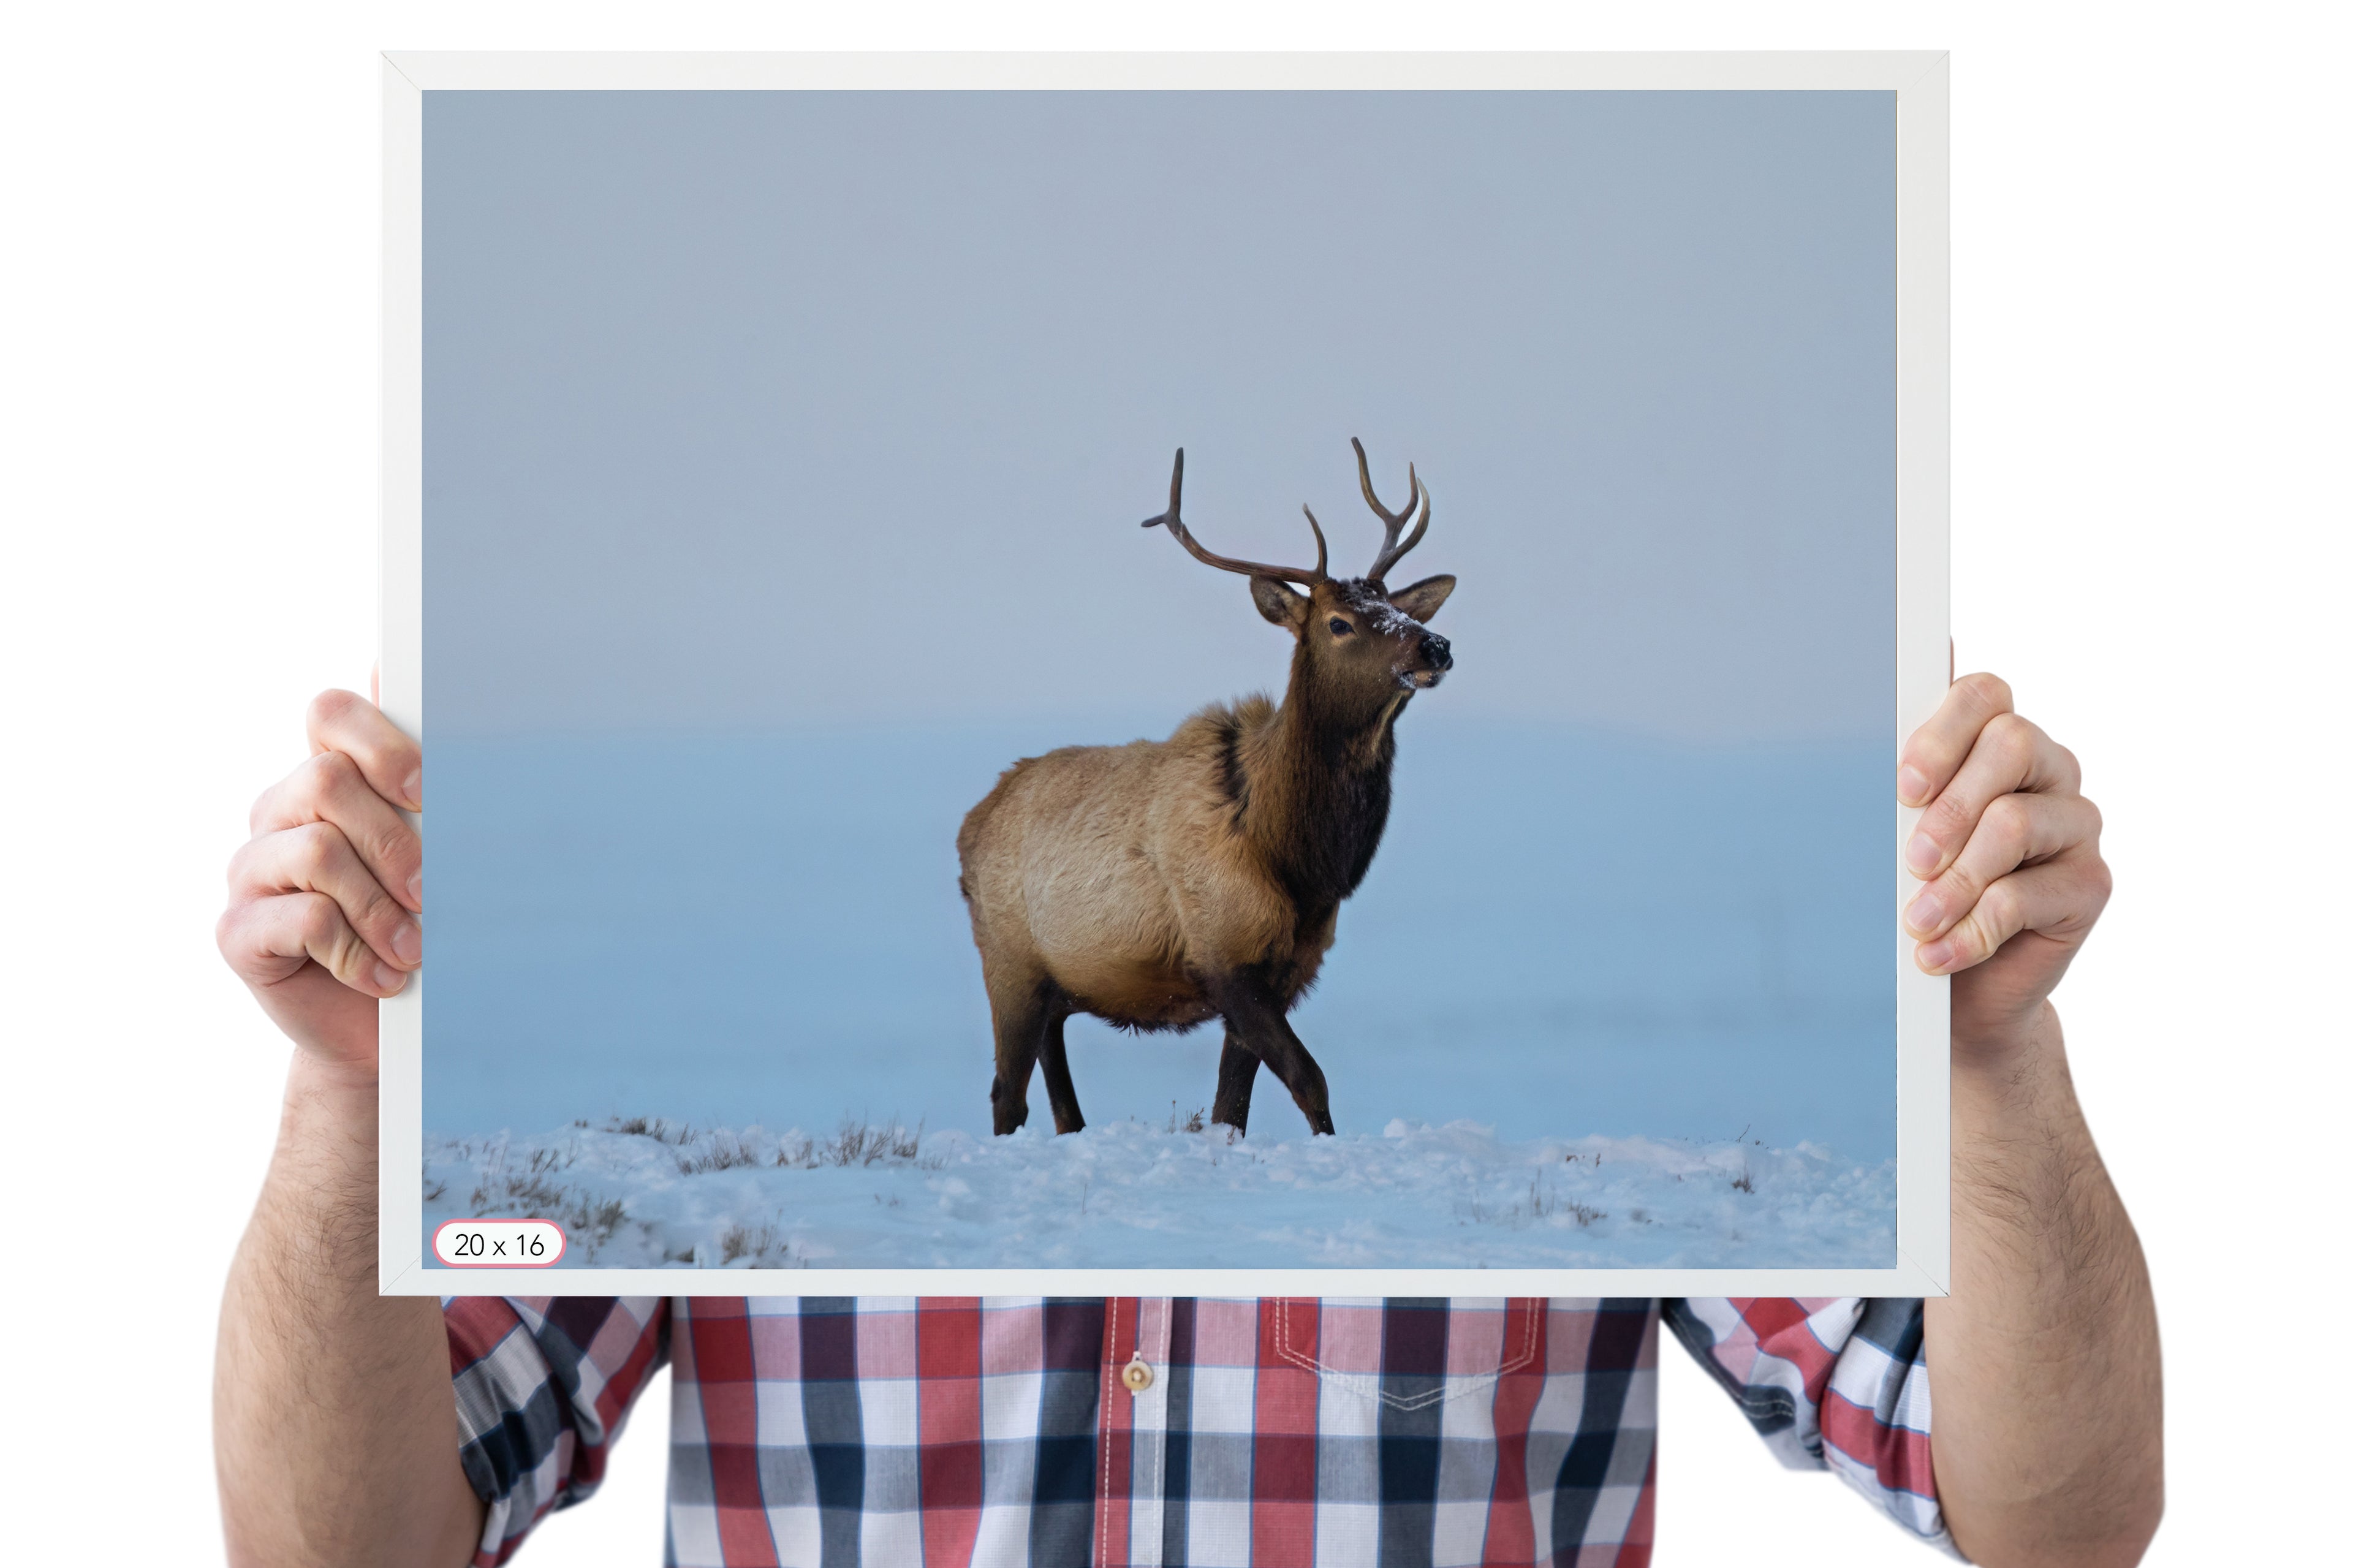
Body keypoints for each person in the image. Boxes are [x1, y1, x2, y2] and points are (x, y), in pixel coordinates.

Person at [213, 675, 2161, 1568]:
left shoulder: (1630, 1181)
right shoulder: (695, 1178)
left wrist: (1987, 1062)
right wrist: (344, 1095)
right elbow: (345, 1549)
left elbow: (2053, 1526)